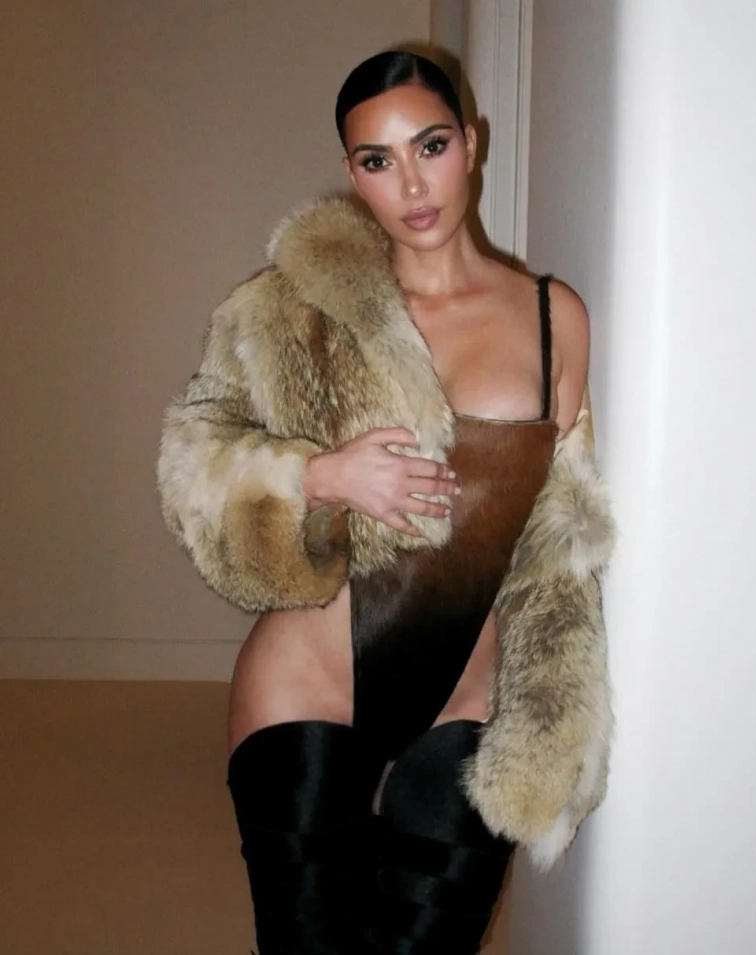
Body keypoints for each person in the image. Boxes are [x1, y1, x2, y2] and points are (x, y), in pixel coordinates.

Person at [157, 50, 615, 955]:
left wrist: (558, 704)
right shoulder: (291, 308)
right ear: (352, 172)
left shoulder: (553, 315)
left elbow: (555, 530)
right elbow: (191, 456)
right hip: (308, 676)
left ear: (471, 143)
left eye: (430, 146)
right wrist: (318, 476)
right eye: (377, 160)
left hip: (469, 692)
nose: (410, 184)